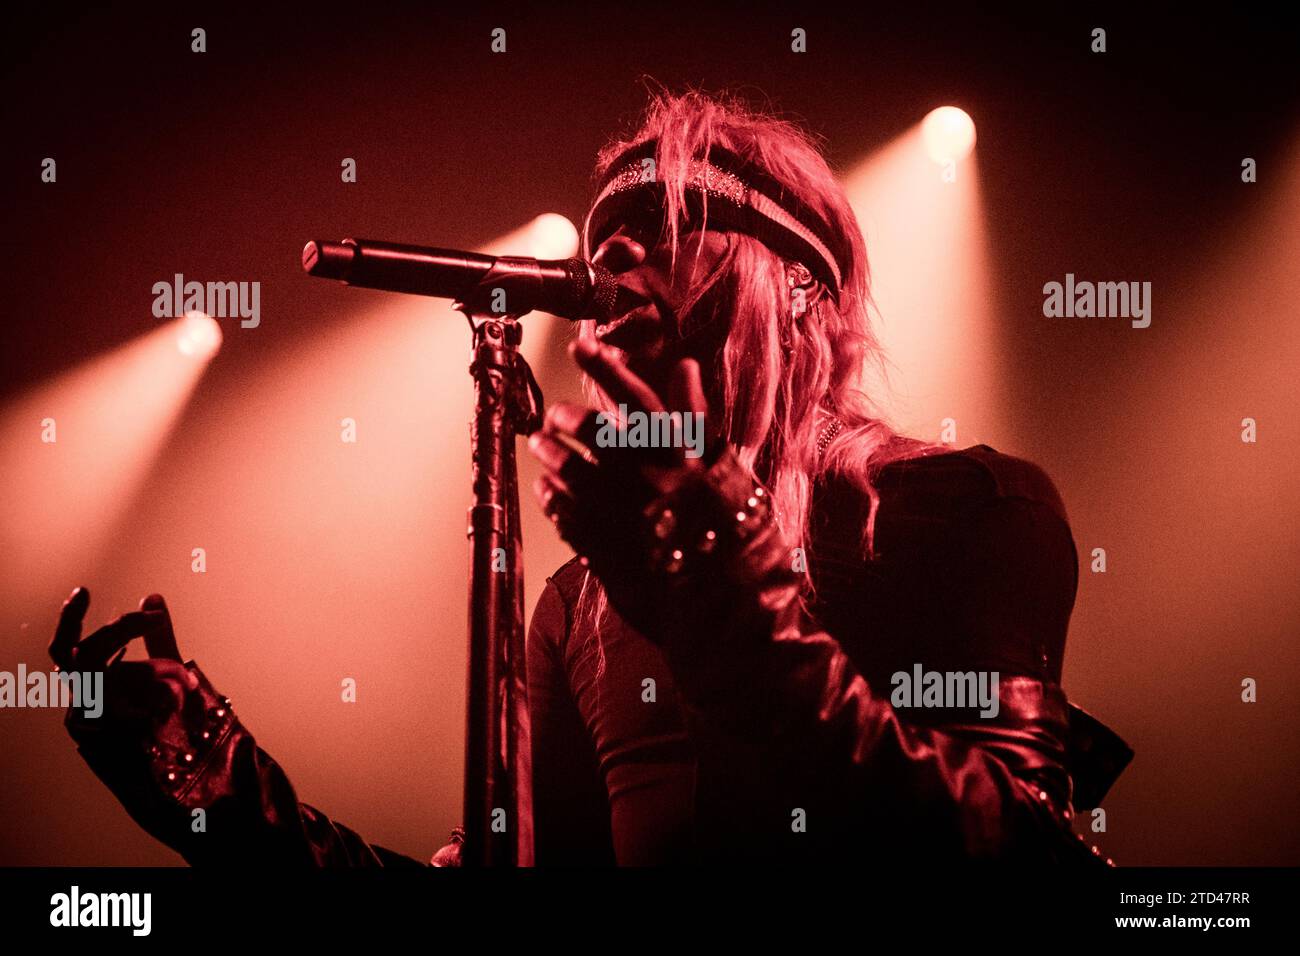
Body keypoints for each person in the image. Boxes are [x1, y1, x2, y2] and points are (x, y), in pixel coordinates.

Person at [49, 90, 1130, 866]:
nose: (609, 268)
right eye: (600, 243)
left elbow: (1024, 855)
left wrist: (739, 625)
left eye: (662, 228)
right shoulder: (580, 603)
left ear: (797, 283)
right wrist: (228, 799)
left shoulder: (967, 507)